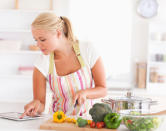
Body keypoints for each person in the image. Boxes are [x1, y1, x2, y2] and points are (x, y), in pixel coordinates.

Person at [20, 12, 107, 118]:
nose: (38, 45)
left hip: (87, 120)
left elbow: (102, 89)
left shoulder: (87, 50)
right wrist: (36, 105)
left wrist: (85, 93)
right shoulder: (42, 62)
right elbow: (41, 103)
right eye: (36, 40)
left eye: (42, 39)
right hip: (58, 122)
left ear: (58, 33)